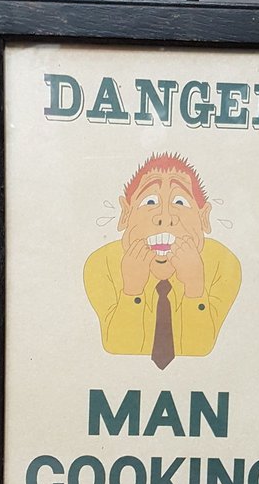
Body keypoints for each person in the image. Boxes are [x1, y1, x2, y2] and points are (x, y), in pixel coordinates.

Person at [83, 153, 241, 368]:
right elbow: (120, 349)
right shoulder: (101, 265)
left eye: (180, 202)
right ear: (125, 214)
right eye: (149, 201)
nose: (164, 217)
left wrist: (194, 288)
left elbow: (199, 351)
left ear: (203, 217)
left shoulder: (223, 265)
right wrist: (132, 290)